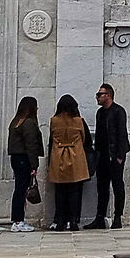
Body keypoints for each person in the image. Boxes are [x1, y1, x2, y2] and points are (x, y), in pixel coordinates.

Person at [86, 83, 129, 230]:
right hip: (102, 155)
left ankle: (118, 217)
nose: (97, 97)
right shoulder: (100, 113)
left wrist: (119, 156)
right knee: (102, 187)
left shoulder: (118, 111)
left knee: (117, 186)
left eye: (100, 94)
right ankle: (100, 217)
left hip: (114, 155)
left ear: (108, 95)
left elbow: (122, 134)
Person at [46, 94, 91, 232]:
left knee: (59, 191)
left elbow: (51, 140)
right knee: (74, 191)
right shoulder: (79, 121)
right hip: (76, 157)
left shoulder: (54, 121)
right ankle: (73, 220)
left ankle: (59, 221)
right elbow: (84, 139)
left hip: (58, 157)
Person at [6, 96, 44, 233]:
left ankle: (17, 219)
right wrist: (34, 165)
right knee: (21, 190)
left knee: (19, 189)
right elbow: (31, 145)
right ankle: (18, 221)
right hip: (24, 158)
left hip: (16, 158)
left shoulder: (16, 122)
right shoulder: (28, 123)